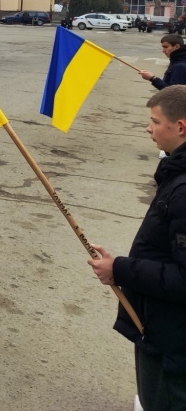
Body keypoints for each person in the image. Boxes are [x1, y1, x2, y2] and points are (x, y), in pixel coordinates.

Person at [88, 85, 186, 411]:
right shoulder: (177, 173)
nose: (148, 128)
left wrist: (119, 268)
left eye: (155, 121)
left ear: (181, 126)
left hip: (173, 342)